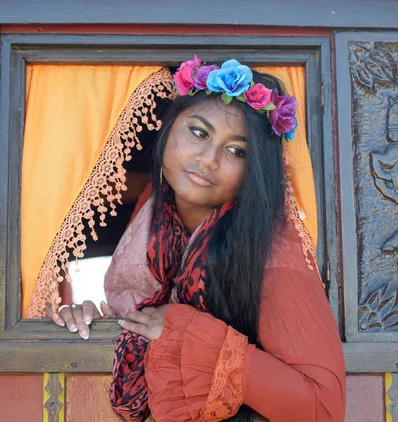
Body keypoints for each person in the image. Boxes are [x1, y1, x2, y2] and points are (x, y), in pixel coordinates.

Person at [50, 58, 346, 421]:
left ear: (254, 171)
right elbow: (142, 316)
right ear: (168, 129)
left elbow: (321, 408)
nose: (208, 160)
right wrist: (94, 324)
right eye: (199, 133)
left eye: (237, 151)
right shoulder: (152, 208)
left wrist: (187, 335)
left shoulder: (274, 253)